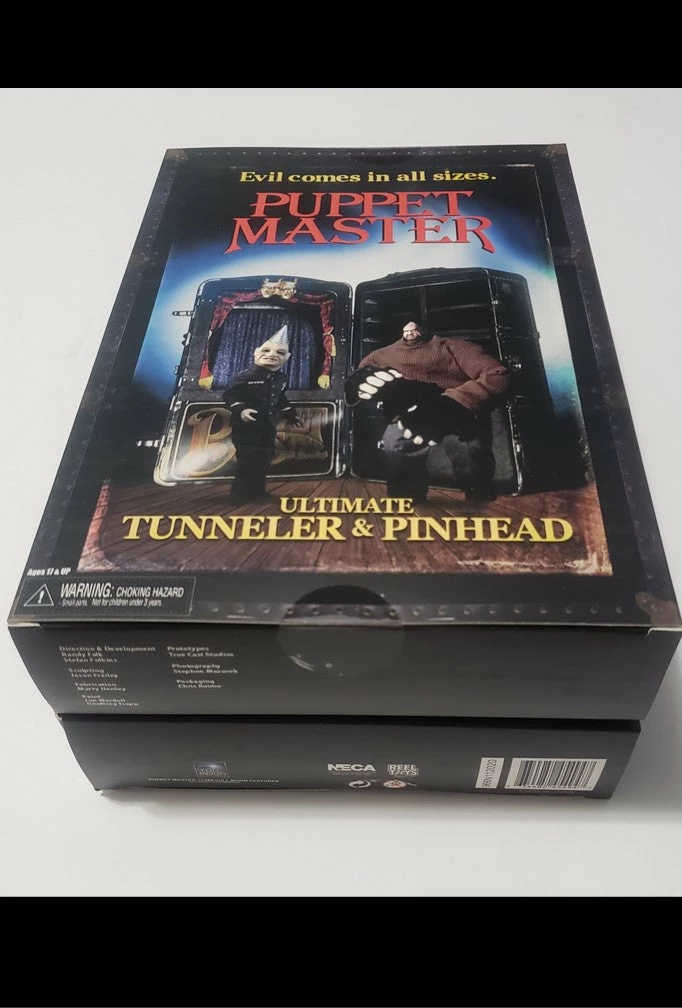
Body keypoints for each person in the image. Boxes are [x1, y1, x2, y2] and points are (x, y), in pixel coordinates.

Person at [344, 320, 510, 501]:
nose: (410, 332)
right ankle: (407, 497)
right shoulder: (380, 355)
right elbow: (359, 380)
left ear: (423, 328)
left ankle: (479, 495)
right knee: (395, 445)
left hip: (457, 409)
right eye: (406, 329)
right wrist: (361, 382)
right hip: (410, 415)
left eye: (414, 328)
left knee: (470, 453)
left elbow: (497, 374)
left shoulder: (454, 347)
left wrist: (454, 405)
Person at [222, 325, 301, 503]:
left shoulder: (282, 378)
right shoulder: (244, 376)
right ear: (256, 352)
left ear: (287, 357)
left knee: (264, 458)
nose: (272, 355)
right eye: (266, 350)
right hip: (246, 427)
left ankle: (258, 492)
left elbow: (280, 398)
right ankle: (239, 495)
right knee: (247, 459)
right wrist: (241, 409)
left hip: (268, 425)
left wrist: (290, 414)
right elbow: (229, 395)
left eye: (280, 352)